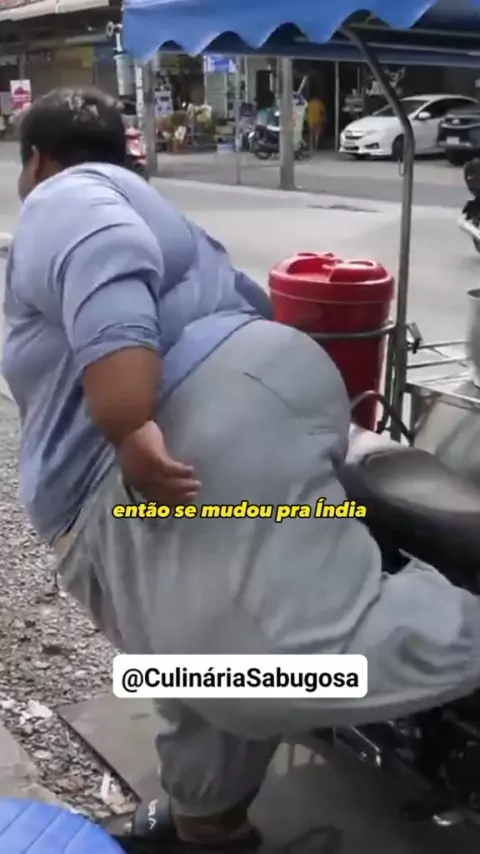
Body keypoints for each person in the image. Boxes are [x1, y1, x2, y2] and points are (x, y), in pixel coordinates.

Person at [4, 86, 480, 852]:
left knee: (244, 669)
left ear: (37, 161)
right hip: (214, 409)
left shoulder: (71, 192)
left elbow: (102, 246)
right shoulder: (160, 215)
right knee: (183, 664)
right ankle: (209, 820)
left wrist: (128, 421)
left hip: (182, 421)